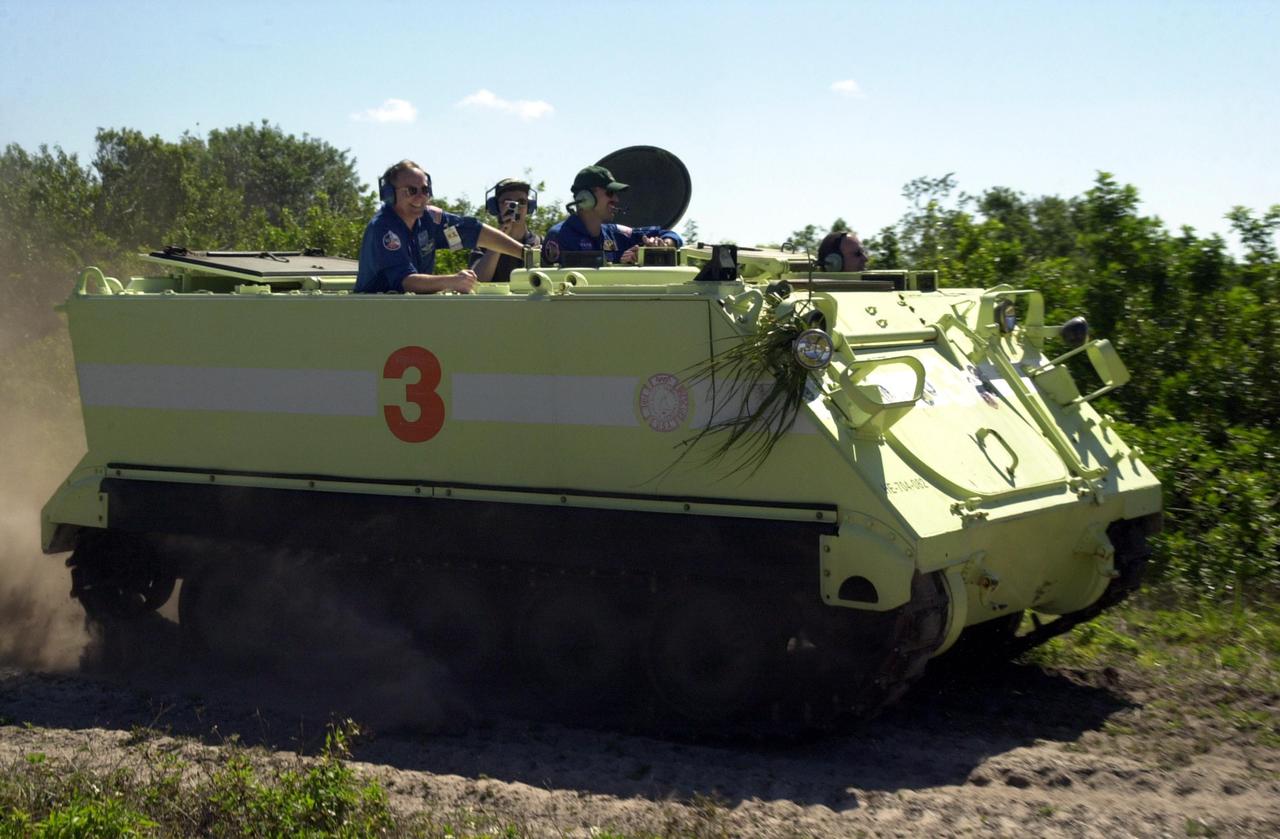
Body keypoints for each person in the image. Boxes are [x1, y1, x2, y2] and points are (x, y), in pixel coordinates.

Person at [356, 160, 524, 294]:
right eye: (411, 191)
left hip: (408, 313)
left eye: (425, 190)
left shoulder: (430, 220)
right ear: (390, 195)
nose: (421, 197)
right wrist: (452, 281)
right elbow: (406, 282)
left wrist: (525, 253)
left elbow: (474, 232)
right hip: (376, 315)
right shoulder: (383, 229)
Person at [541, 165, 683, 265]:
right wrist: (619, 268)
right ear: (586, 197)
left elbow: (668, 234)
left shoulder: (616, 233)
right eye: (610, 193)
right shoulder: (560, 237)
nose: (616, 199)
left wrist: (662, 245)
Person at [469, 177, 541, 283]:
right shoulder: (483, 245)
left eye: (521, 202)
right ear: (495, 207)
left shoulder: (539, 244)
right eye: (508, 202)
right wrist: (498, 240)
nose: (515, 207)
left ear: (529, 207)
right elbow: (476, 282)